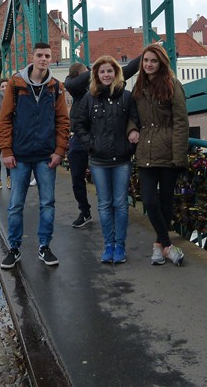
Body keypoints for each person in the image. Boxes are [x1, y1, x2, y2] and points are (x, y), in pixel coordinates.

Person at [0, 42, 70, 268]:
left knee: (47, 203)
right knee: (15, 204)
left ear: (51, 58)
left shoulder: (56, 87)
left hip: (46, 156)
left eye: (47, 56)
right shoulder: (15, 84)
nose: (43, 59)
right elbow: (4, 119)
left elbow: (63, 121)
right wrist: (6, 150)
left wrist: (59, 151)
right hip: (19, 155)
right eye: (40, 55)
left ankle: (44, 247)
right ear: (33, 57)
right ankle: (14, 248)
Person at [73, 56, 140, 264]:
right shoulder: (89, 98)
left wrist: (130, 144)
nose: (106, 75)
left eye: (110, 71)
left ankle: (120, 246)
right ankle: (108, 245)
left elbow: (135, 120)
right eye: (102, 71)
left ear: (116, 73)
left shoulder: (127, 97)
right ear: (96, 75)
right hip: (98, 160)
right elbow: (79, 124)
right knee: (104, 204)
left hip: (121, 159)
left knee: (120, 203)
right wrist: (90, 144)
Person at [132, 43, 188, 267]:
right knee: (148, 199)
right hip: (145, 150)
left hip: (167, 150)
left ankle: (158, 245)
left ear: (161, 63)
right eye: (146, 60)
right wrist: (131, 129)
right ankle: (167, 245)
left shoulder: (172, 85)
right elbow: (132, 116)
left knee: (165, 200)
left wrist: (179, 156)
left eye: (153, 61)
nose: (149, 64)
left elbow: (181, 122)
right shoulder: (139, 86)